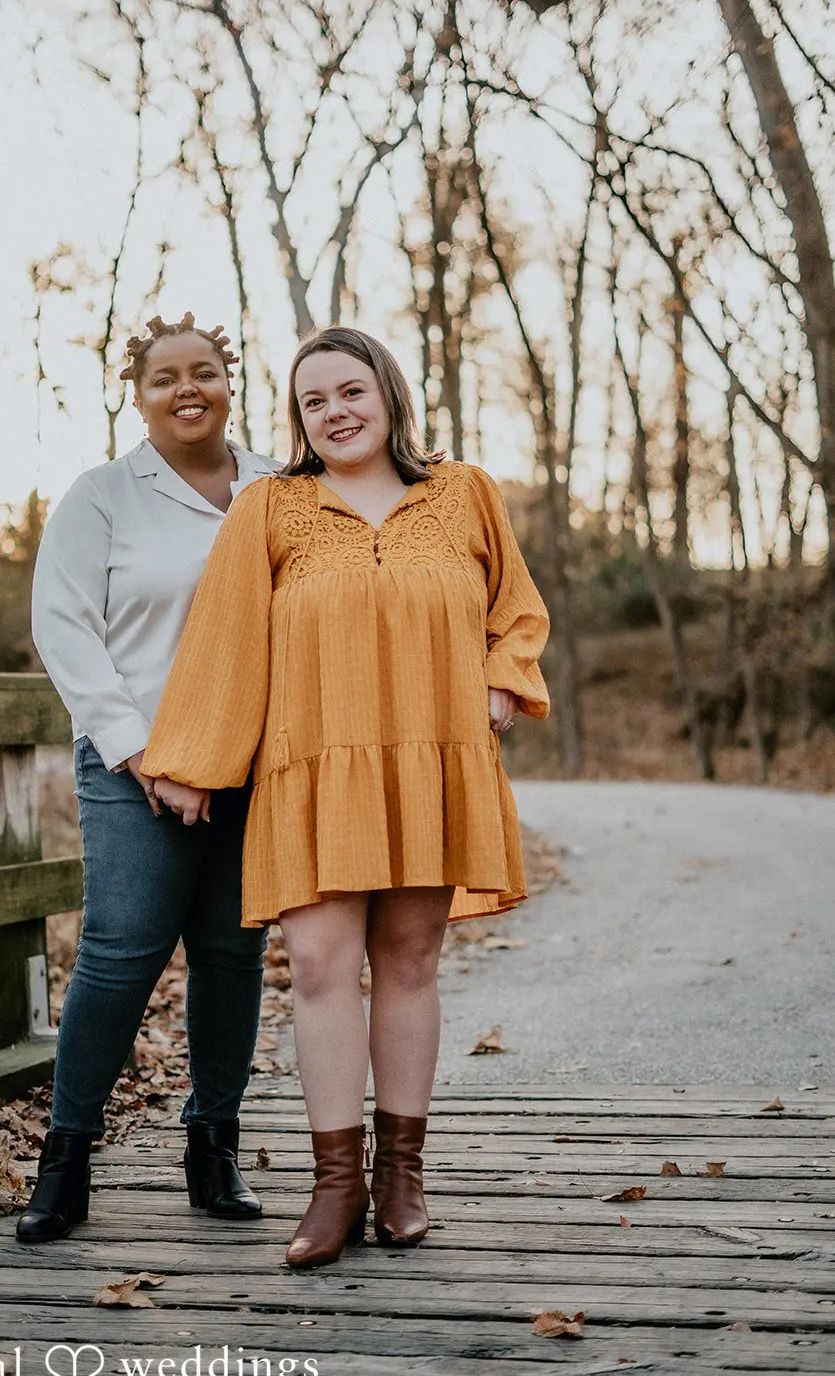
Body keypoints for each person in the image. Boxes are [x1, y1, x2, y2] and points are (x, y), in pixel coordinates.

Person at [142, 325, 550, 1269]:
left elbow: (516, 608)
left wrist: (501, 675)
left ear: (389, 395)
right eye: (314, 400)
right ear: (297, 418)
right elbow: (226, 640)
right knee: (322, 971)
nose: (335, 412)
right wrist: (191, 759)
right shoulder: (270, 508)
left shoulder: (462, 493)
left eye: (350, 391)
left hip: (430, 760)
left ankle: (402, 1177)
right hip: (313, 769)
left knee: (407, 964)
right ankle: (335, 1189)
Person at [18, 313, 278, 1243]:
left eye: (203, 371)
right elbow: (65, 629)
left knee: (230, 955)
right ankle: (66, 1160)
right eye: (165, 377)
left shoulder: (278, 488)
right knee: (121, 953)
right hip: (138, 763)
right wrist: (144, 756)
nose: (186, 389)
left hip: (255, 763)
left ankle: (213, 1149)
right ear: (137, 395)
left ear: (228, 381)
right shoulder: (101, 497)